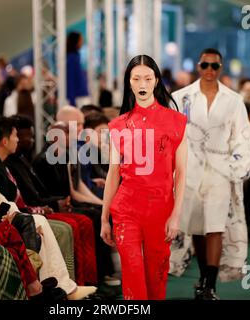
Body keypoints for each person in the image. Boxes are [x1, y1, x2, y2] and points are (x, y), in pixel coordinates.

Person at [100, 55, 188, 300]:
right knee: (133, 274)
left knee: (156, 276)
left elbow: (181, 174)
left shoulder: (177, 122)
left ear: (156, 81)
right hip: (126, 208)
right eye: (136, 78)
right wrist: (104, 217)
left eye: (147, 78)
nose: (142, 83)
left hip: (161, 209)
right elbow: (113, 173)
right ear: (129, 82)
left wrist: (176, 214)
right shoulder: (118, 125)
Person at [172, 48, 250, 300]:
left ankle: (210, 285)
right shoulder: (180, 97)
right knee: (196, 227)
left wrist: (237, 167)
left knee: (216, 227)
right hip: (190, 171)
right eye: (205, 65)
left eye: (214, 66)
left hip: (220, 170)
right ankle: (202, 278)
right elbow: (170, 135)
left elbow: (242, 135)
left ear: (221, 68)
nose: (209, 70)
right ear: (198, 66)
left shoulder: (233, 100)